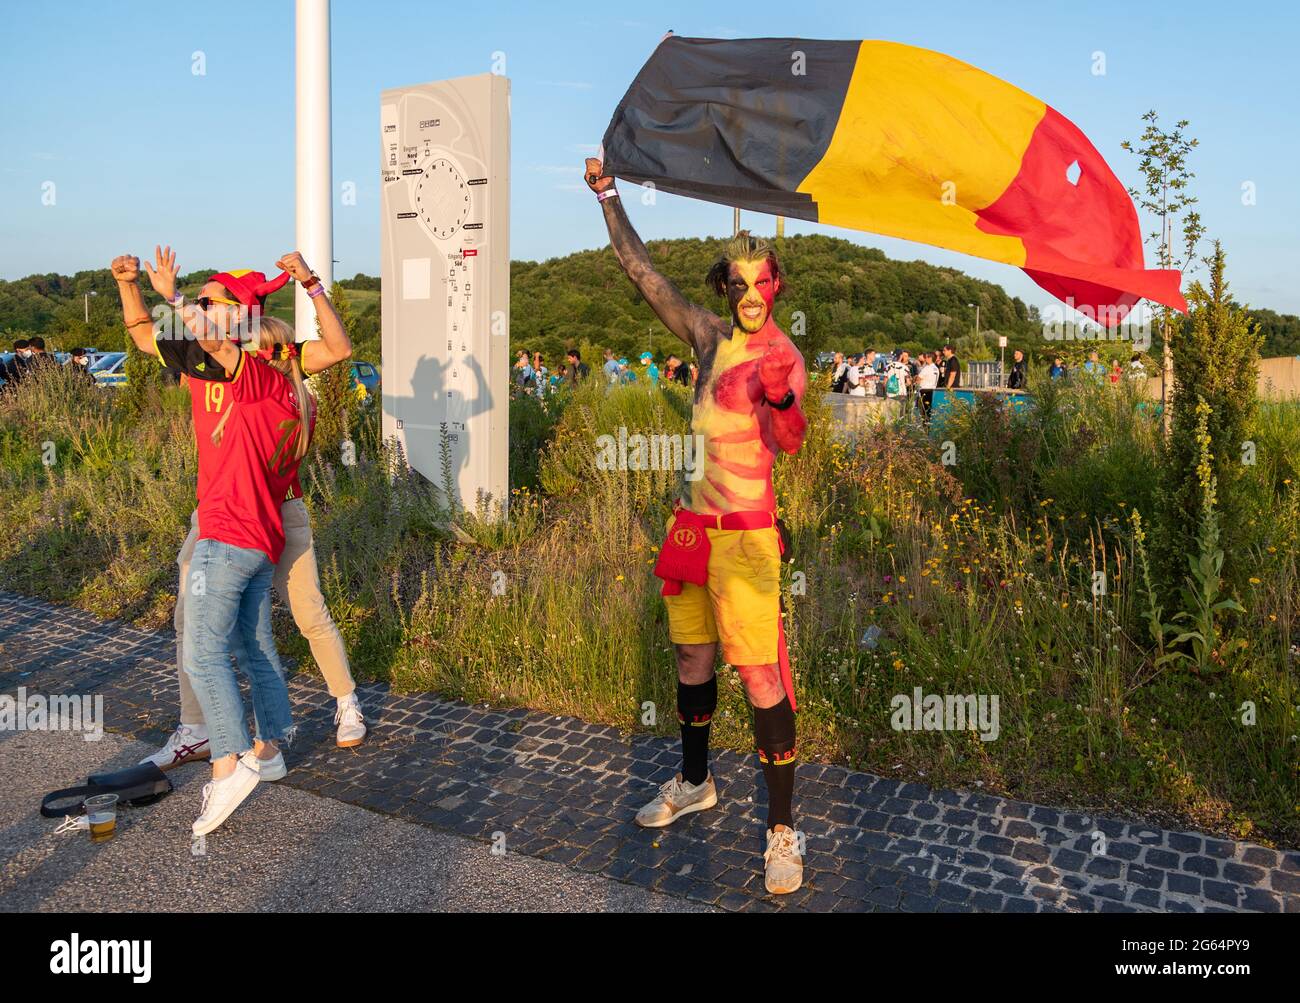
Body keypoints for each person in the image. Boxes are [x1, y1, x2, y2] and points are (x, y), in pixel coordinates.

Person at [588, 157, 808, 894]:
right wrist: (608, 196)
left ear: (776, 286)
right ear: (726, 287)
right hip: (691, 529)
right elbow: (642, 273)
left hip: (747, 537)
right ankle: (695, 780)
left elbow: (792, 442)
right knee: (691, 664)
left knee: (760, 673)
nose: (751, 292)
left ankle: (782, 830)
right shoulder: (707, 337)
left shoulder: (783, 355)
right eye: (738, 281)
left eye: (762, 281)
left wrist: (777, 399)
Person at [111, 247, 366, 767]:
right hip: (219, 511)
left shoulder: (273, 360)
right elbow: (142, 335)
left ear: (241, 311)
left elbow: (338, 349)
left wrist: (312, 284)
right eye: (200, 299)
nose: (203, 304)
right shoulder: (197, 356)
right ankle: (198, 730)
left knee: (304, 611)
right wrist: (126, 284)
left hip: (278, 507)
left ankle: (345, 703)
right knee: (193, 619)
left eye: (212, 298)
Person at [173, 303, 312, 835]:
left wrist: (177, 298)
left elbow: (212, 345)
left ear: (263, 356)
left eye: (247, 345)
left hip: (227, 536)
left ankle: (226, 767)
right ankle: (270, 749)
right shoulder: (299, 400)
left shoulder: (257, 385)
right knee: (255, 645)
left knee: (202, 653)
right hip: (262, 539)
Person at [916, 351, 940, 426]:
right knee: (929, 410)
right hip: (933, 390)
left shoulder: (927, 368)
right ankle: (928, 426)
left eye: (926, 357)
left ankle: (925, 427)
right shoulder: (936, 368)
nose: (925, 359)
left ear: (929, 358)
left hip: (925, 391)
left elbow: (918, 379)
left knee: (924, 411)